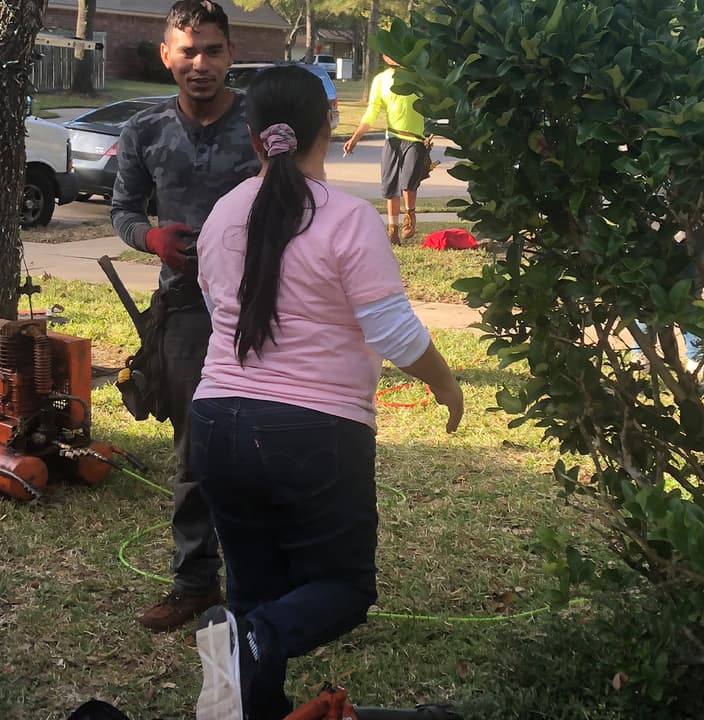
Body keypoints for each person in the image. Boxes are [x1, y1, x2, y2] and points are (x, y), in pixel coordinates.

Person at [189, 66, 464, 720]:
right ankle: (249, 640)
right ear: (330, 125)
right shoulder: (346, 218)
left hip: (216, 425)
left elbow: (215, 304)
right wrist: (447, 386)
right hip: (312, 433)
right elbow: (392, 330)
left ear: (253, 136)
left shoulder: (223, 213)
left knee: (253, 583)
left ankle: (246, 685)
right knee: (342, 587)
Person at [110, 0, 260, 633]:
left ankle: (263, 584)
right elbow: (122, 210)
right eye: (188, 51)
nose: (201, 64)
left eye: (214, 50)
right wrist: (150, 239)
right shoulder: (143, 131)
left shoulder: (262, 122)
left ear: (231, 53)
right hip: (187, 311)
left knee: (266, 443)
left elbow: (304, 191)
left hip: (265, 306)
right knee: (194, 448)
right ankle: (194, 581)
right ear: (166, 53)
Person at [342, 55, 431, 245]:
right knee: (389, 185)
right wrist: (355, 137)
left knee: (408, 181)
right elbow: (372, 111)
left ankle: (410, 215)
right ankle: (392, 230)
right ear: (384, 56)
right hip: (392, 137)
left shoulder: (416, 77)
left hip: (415, 139)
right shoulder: (380, 80)